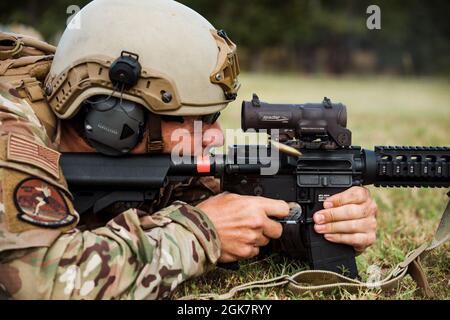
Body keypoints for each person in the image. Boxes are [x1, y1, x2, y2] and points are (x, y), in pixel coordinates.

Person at [0, 0, 377, 299]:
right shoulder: (10, 129)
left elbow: (211, 204)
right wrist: (200, 233)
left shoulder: (137, 153)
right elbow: (42, 282)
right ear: (115, 122)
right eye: (192, 118)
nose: (214, 136)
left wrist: (311, 220)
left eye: (213, 117)